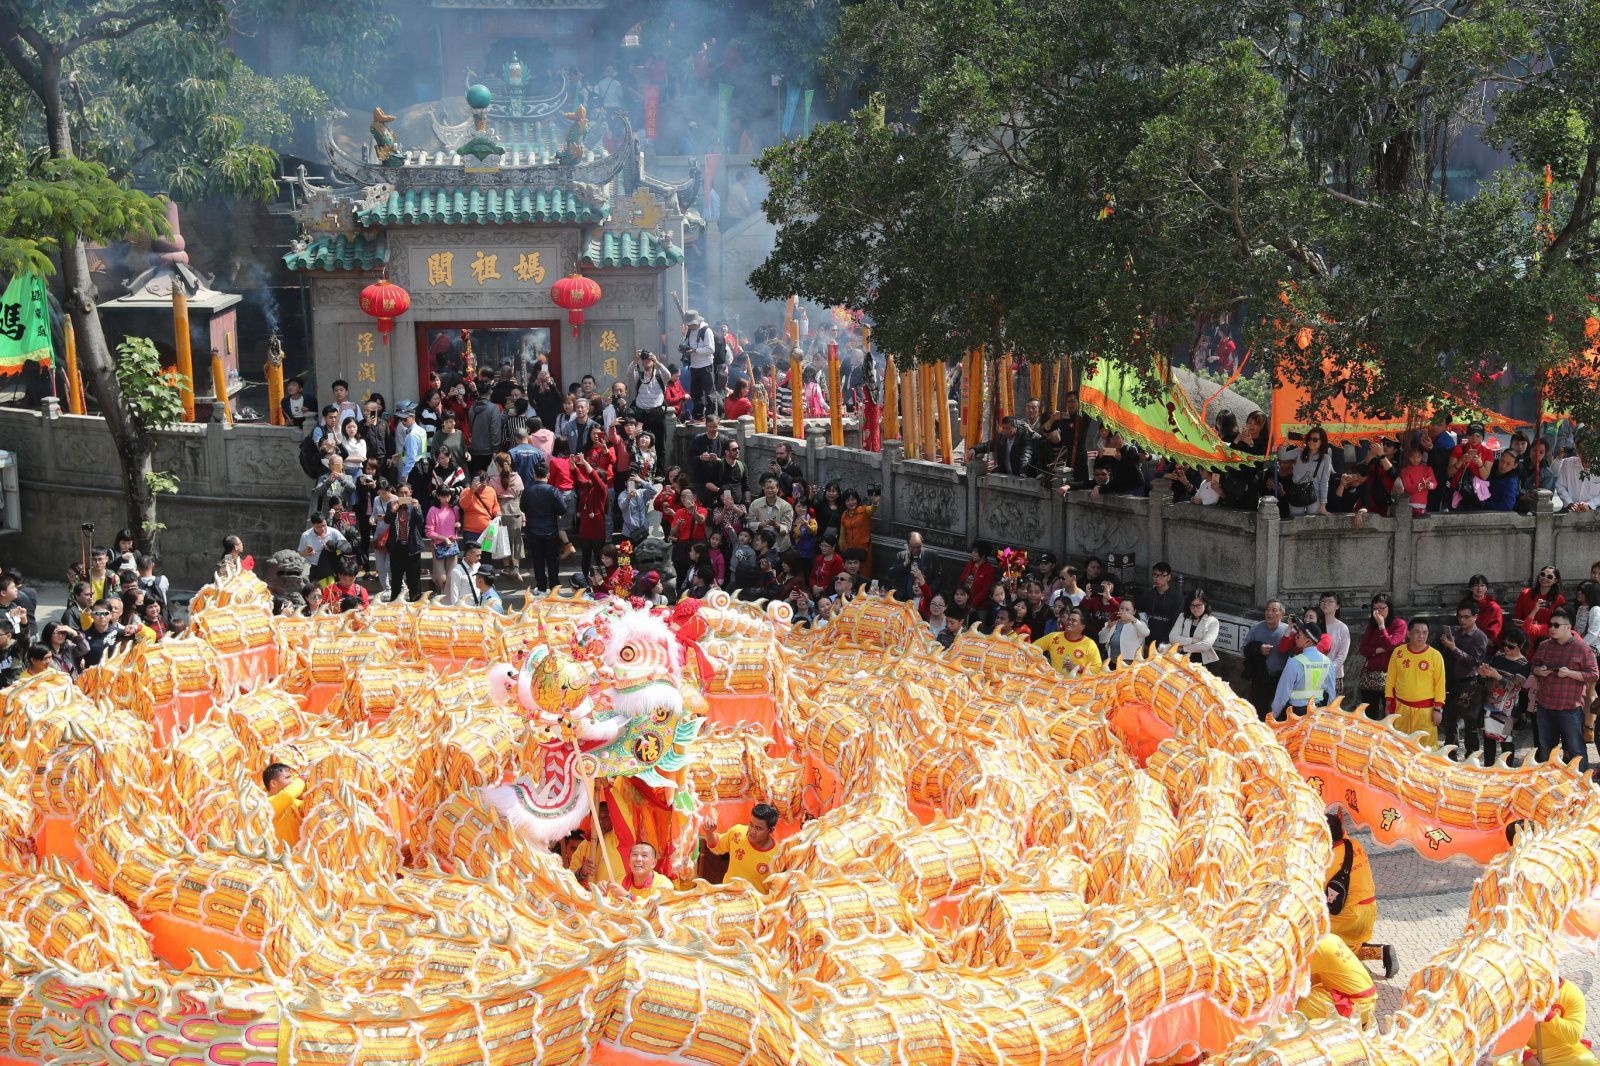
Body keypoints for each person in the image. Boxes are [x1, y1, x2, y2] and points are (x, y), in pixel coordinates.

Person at [1529, 608, 1599, 772]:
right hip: (1545, 706)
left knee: (1576, 750)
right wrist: (1539, 671)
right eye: (1550, 625)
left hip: (1570, 708)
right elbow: (1534, 666)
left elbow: (1594, 675)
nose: (1551, 628)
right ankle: (1548, 782)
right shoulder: (1545, 646)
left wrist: (1570, 674)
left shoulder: (1582, 649)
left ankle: (1581, 783)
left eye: (1556, 625)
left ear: (1568, 627)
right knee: (1546, 748)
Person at [1438, 600, 1490, 759]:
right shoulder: (1453, 631)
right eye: (1459, 617)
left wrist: (1453, 648)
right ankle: (1450, 755)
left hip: (1469, 684)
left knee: (1470, 724)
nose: (1462, 620)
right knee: (1450, 722)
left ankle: (1471, 756)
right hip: (1450, 681)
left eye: (1466, 617)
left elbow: (1473, 661)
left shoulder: (1479, 637)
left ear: (1475, 617)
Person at [1323, 812, 1378, 956]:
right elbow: (1340, 836)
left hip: (1349, 920)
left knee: (1316, 938)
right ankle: (1379, 952)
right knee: (1350, 946)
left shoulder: (1327, 862)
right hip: (1370, 912)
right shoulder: (1354, 844)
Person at [1386, 619, 1446, 745]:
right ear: (1409, 633)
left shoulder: (1435, 655)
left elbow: (1440, 684)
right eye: (1417, 632)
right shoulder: (1398, 652)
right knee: (1399, 745)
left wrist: (1438, 709)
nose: (1421, 636)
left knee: (1425, 748)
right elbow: (1390, 679)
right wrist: (1389, 702)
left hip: (1425, 712)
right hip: (1401, 708)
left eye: (1425, 632)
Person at [1295, 933, 1377, 1025]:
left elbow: (1290, 979)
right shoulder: (1331, 937)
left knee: (1302, 1004)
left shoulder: (1316, 948)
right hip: (1367, 1000)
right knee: (1310, 990)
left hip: (1357, 1007)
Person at [1477, 628, 1530, 767]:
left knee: (1505, 739)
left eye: (1511, 646)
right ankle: (1488, 767)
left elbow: (1515, 687)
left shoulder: (1524, 664)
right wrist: (1484, 672)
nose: (1506, 648)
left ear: (1520, 646)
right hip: (1489, 703)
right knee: (1488, 738)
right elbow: (1489, 676)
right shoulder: (1499, 655)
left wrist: (1497, 676)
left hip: (1507, 708)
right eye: (1504, 644)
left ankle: (1507, 769)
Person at [699, 803, 780, 893]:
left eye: (758, 828)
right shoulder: (737, 833)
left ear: (771, 830)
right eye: (751, 824)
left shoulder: (777, 855)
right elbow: (716, 846)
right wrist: (709, 833)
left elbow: (776, 889)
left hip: (754, 903)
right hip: (727, 895)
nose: (752, 831)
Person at [1272, 619, 1337, 720]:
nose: (1296, 638)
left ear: (1308, 641)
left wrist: (1273, 716)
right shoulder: (1328, 662)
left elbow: (1282, 694)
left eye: (1299, 636)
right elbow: (1331, 693)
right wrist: (1328, 716)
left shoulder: (1294, 662)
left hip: (1296, 714)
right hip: (1317, 713)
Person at [1244, 600, 1292, 720]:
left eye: (1274, 610)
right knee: (1257, 711)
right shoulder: (1256, 628)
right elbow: (1244, 649)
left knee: (1279, 713)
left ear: (1282, 614)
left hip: (1280, 678)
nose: (1269, 613)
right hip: (1260, 676)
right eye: (1267, 609)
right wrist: (1258, 650)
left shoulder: (1289, 631)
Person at [385, 484, 425, 602]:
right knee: (396, 579)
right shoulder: (391, 505)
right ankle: (395, 603)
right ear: (397, 494)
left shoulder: (415, 506)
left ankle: (416, 602)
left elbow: (420, 522)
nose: (403, 495)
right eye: (401, 493)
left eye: (406, 492)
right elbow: (387, 520)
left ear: (410, 493)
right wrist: (393, 510)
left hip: (412, 546)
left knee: (414, 579)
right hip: (396, 547)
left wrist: (417, 509)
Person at [1282, 426, 1334, 517]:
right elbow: (1282, 456)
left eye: (1315, 439)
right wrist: (1285, 443)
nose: (1311, 441)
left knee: (1312, 523)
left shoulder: (1326, 458)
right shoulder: (1299, 451)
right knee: (1296, 522)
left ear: (1322, 442)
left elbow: (1324, 482)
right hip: (1296, 492)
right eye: (1309, 438)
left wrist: (1323, 505)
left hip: (1315, 495)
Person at [1038, 606, 1102, 676]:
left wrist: (1077, 668)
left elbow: (1097, 669)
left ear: (1082, 627)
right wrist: (1042, 664)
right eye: (1069, 619)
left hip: (1078, 685)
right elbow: (1031, 648)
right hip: (1055, 684)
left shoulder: (1090, 644)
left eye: (1074, 620)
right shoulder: (1053, 637)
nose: (1069, 622)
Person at [1169, 589, 1220, 673]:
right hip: (1181, 660)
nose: (1195, 609)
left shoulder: (1213, 621)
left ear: (1205, 604)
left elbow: (1205, 645)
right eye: (1192, 606)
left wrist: (1183, 648)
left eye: (1198, 605)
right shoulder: (1183, 617)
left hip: (1203, 663)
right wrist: (1193, 640)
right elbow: (1172, 638)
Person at [1515, 565, 1566, 646]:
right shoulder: (1525, 593)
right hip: (1525, 636)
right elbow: (1517, 616)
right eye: (1542, 574)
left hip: (1546, 639)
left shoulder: (1559, 599)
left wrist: (1537, 626)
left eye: (1549, 576)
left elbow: (1558, 622)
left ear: (1555, 580)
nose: (1544, 578)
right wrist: (1523, 623)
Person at [681, 310, 716, 421]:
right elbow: (686, 343)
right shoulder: (690, 331)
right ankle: (698, 415)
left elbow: (711, 349)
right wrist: (683, 348)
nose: (690, 326)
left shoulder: (706, 331)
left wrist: (696, 350)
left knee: (709, 393)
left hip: (706, 365)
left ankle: (711, 416)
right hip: (694, 365)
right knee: (696, 392)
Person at [1138, 562, 1183, 647]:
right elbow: (1142, 616)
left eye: (1162, 575)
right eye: (1155, 575)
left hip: (1167, 644)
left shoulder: (1177, 598)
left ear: (1169, 577)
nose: (1157, 578)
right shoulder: (1147, 595)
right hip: (1147, 641)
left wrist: (1166, 642)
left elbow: (1176, 623)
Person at [889, 532, 940, 604]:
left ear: (922, 543)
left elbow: (938, 580)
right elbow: (891, 574)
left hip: (923, 601)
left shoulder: (932, 555)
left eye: (918, 547)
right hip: (903, 599)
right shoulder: (901, 555)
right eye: (912, 547)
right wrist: (904, 564)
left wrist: (927, 594)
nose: (915, 550)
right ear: (907, 545)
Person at [748, 477, 797, 553]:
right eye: (767, 488)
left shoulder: (786, 506)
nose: (770, 490)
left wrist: (776, 525)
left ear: (777, 489)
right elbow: (750, 523)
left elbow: (787, 528)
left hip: (780, 546)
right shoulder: (755, 504)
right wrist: (760, 525)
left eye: (772, 488)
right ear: (763, 488)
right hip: (760, 546)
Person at [263, 763, 305, 847]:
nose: (292, 781)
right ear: (273, 783)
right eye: (287, 778)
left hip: (298, 857)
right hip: (279, 858)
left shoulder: (293, 803)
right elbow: (288, 795)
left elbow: (310, 805)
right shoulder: (266, 804)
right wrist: (303, 778)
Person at [1099, 599, 1150, 667]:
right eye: (1121, 608)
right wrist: (1108, 627)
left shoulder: (1137, 624)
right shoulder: (1113, 622)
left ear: (1134, 612)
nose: (1123, 612)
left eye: (1127, 609)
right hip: (1112, 662)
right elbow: (1101, 640)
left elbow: (1146, 633)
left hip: (1131, 664)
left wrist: (1133, 619)